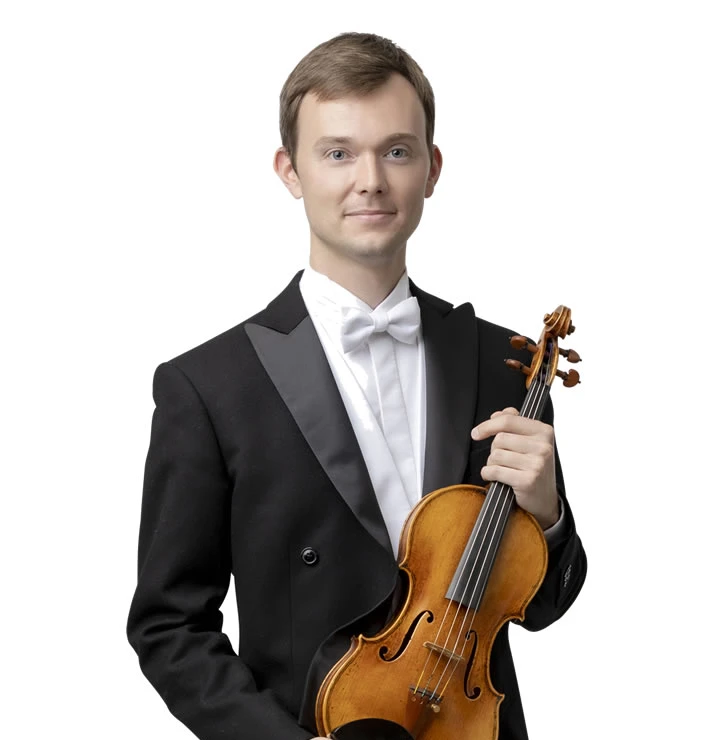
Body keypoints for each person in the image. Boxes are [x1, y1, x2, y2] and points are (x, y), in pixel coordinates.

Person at [127, 31, 587, 740]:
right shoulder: (208, 386)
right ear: (291, 170)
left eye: (396, 150)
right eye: (337, 152)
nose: (369, 178)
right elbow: (169, 626)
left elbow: (541, 603)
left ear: (432, 169)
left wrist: (549, 516)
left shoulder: (506, 362)